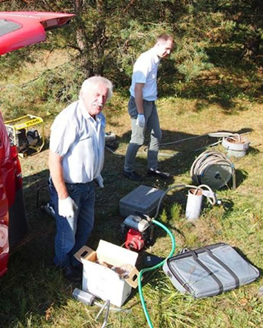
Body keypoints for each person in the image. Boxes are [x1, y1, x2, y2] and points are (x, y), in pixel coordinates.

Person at [48, 76, 112, 282]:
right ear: (83, 95)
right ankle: (62, 266)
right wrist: (63, 197)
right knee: (67, 234)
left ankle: (76, 261)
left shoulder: (99, 118)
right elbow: (53, 160)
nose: (100, 100)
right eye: (96, 95)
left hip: (88, 185)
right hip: (69, 188)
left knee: (86, 227)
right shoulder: (69, 120)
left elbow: (93, 148)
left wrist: (96, 172)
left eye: (104, 96)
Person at [123, 34, 174, 181]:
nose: (168, 53)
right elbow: (138, 89)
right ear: (158, 45)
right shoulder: (146, 60)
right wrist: (140, 114)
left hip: (150, 103)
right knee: (138, 139)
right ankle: (128, 169)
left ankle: (152, 168)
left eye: (170, 50)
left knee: (156, 134)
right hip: (140, 104)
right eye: (166, 49)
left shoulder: (156, 58)